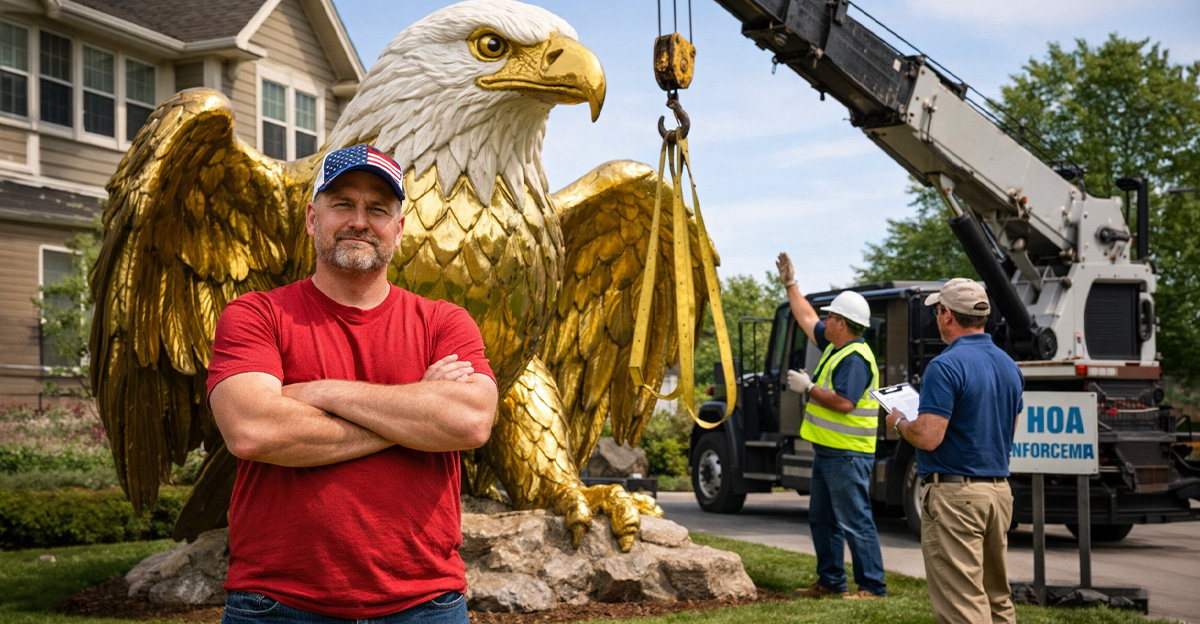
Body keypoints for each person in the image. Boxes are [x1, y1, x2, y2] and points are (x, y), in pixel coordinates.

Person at [206, 144, 499, 624]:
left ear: (398, 230)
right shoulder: (257, 315)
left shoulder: (444, 322)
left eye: (378, 209)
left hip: (424, 604)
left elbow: (469, 422)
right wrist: (417, 413)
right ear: (311, 219)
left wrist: (320, 392)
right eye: (342, 204)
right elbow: (253, 430)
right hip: (276, 604)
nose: (360, 220)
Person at [884, 278, 1023, 624]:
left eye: (937, 310)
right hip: (998, 493)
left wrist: (900, 422)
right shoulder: (1010, 366)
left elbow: (929, 437)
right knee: (997, 600)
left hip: (955, 496)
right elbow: (1009, 430)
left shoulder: (945, 366)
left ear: (947, 314)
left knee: (963, 605)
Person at [775, 252, 887, 600]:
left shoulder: (854, 358)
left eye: (832, 317)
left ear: (842, 322)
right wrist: (791, 284)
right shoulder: (837, 346)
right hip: (831, 453)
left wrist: (809, 388)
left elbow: (844, 402)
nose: (826, 321)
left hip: (848, 455)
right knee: (822, 519)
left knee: (855, 521)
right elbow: (807, 318)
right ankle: (831, 581)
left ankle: (872, 586)